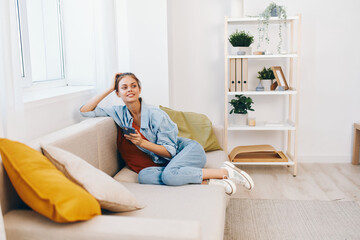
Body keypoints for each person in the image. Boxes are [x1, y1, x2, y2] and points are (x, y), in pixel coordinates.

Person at [80, 72, 254, 195]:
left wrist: (142, 143)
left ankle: (225, 172)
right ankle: (208, 181)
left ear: (139, 90)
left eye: (133, 86)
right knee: (144, 175)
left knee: (169, 176)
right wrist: (110, 87)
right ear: (118, 93)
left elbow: (170, 151)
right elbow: (85, 111)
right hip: (168, 163)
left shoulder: (156, 115)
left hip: (188, 152)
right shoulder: (119, 112)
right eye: (123, 87)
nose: (129, 90)